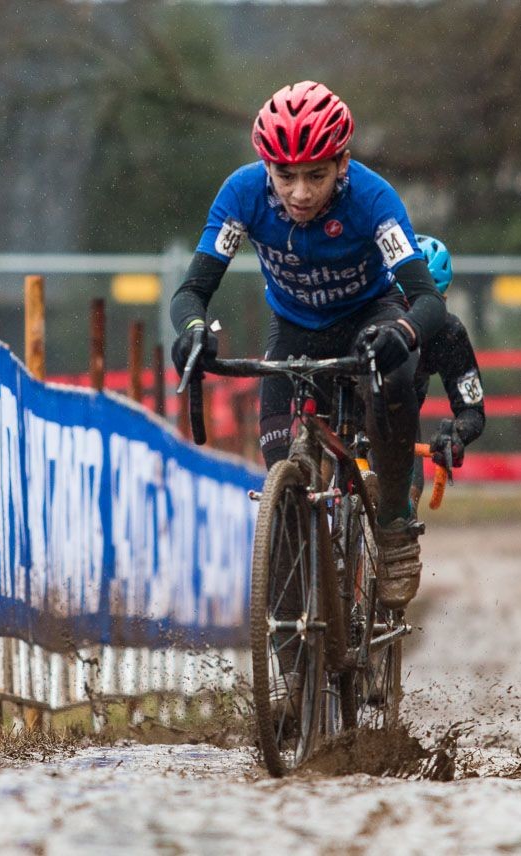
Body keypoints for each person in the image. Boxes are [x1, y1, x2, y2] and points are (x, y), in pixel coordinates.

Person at [170, 80, 446, 610]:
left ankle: (391, 527)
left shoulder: (373, 199)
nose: (299, 193)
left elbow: (429, 303)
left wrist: (404, 332)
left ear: (342, 163)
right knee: (284, 496)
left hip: (371, 317)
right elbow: (192, 292)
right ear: (266, 167)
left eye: (316, 175)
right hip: (294, 328)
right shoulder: (242, 196)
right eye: (285, 175)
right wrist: (192, 332)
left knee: (390, 383)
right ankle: (295, 665)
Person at [408, 234, 486, 507]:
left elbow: (472, 410)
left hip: (399, 424)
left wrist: (456, 435)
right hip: (345, 413)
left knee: (407, 504)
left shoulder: (447, 333)